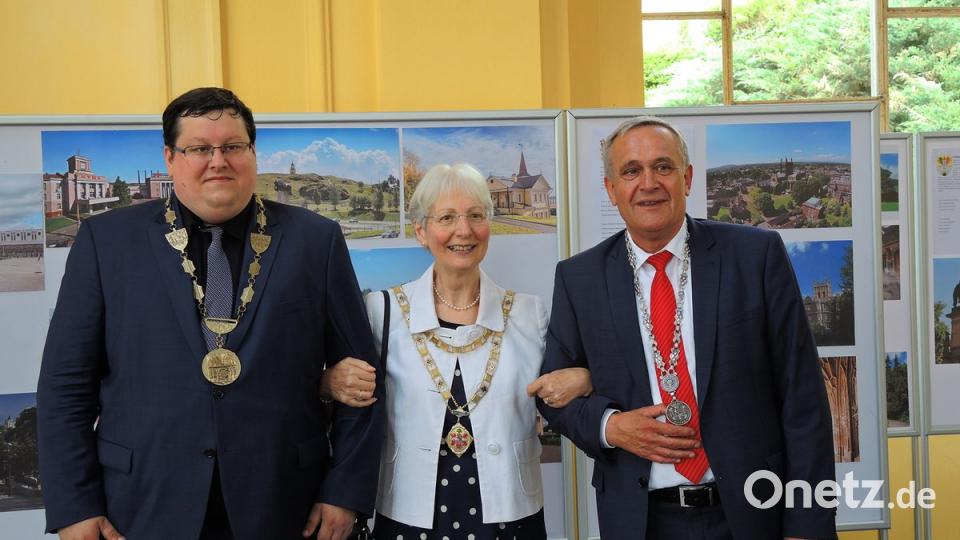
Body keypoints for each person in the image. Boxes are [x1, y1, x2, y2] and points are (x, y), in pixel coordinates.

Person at [37, 87, 383, 540]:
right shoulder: (106, 242)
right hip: (144, 506)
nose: (217, 161)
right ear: (170, 157)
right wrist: (73, 508)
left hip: (286, 505)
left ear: (253, 153)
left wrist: (344, 492)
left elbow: (362, 378)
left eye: (232, 147)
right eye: (199, 148)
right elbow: (66, 386)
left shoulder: (315, 240)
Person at [538, 116, 836, 540]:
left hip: (755, 516)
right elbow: (553, 396)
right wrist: (611, 426)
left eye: (663, 166)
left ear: (688, 177)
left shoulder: (755, 256)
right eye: (630, 171)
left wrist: (807, 524)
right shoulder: (579, 278)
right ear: (611, 189)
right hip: (642, 521)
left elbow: (803, 396)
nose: (648, 183)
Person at [329, 163, 590, 539]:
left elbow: (560, 392)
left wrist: (584, 377)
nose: (463, 231)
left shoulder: (529, 313)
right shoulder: (382, 312)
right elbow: (342, 403)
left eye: (475, 216)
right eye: (447, 217)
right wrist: (328, 381)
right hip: (409, 515)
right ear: (421, 230)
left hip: (510, 515)